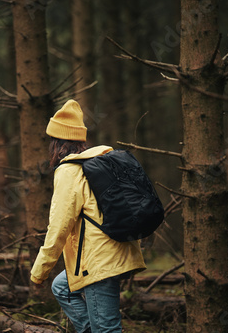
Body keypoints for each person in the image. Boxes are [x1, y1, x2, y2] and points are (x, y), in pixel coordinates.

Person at [30, 99, 146, 333]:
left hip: (98, 260)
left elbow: (59, 227)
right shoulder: (101, 161)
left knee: (107, 329)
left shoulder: (69, 170)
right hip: (116, 251)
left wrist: (39, 271)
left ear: (56, 142)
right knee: (62, 287)